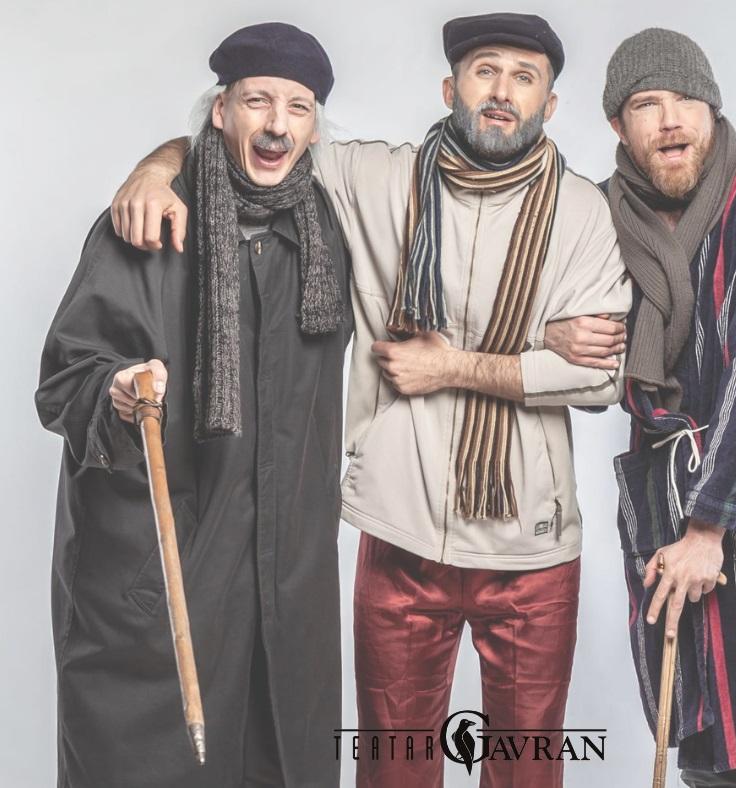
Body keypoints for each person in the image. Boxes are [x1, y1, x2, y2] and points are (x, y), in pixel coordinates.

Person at [109, 13, 632, 788]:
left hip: (531, 546)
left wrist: (451, 366)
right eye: (485, 71)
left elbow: (602, 378)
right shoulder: (376, 178)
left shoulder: (584, 213)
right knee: (393, 768)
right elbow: (261, 136)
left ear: (549, 105)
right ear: (450, 88)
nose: (502, 91)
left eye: (525, 78)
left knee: (527, 771)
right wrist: (156, 167)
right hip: (400, 535)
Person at [36, 22, 350, 788]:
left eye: (298, 107)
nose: (277, 124)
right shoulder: (148, 223)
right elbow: (65, 379)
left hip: (285, 593)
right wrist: (115, 390)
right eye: (258, 101)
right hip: (158, 583)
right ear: (220, 111)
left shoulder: (329, 230)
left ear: (314, 127)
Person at [554, 27, 736, 787]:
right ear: (617, 124)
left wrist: (711, 525)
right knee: (700, 736)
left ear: (712, 110)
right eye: (646, 105)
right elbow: (563, 339)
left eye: (687, 100)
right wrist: (553, 334)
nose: (671, 120)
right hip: (663, 484)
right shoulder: (595, 217)